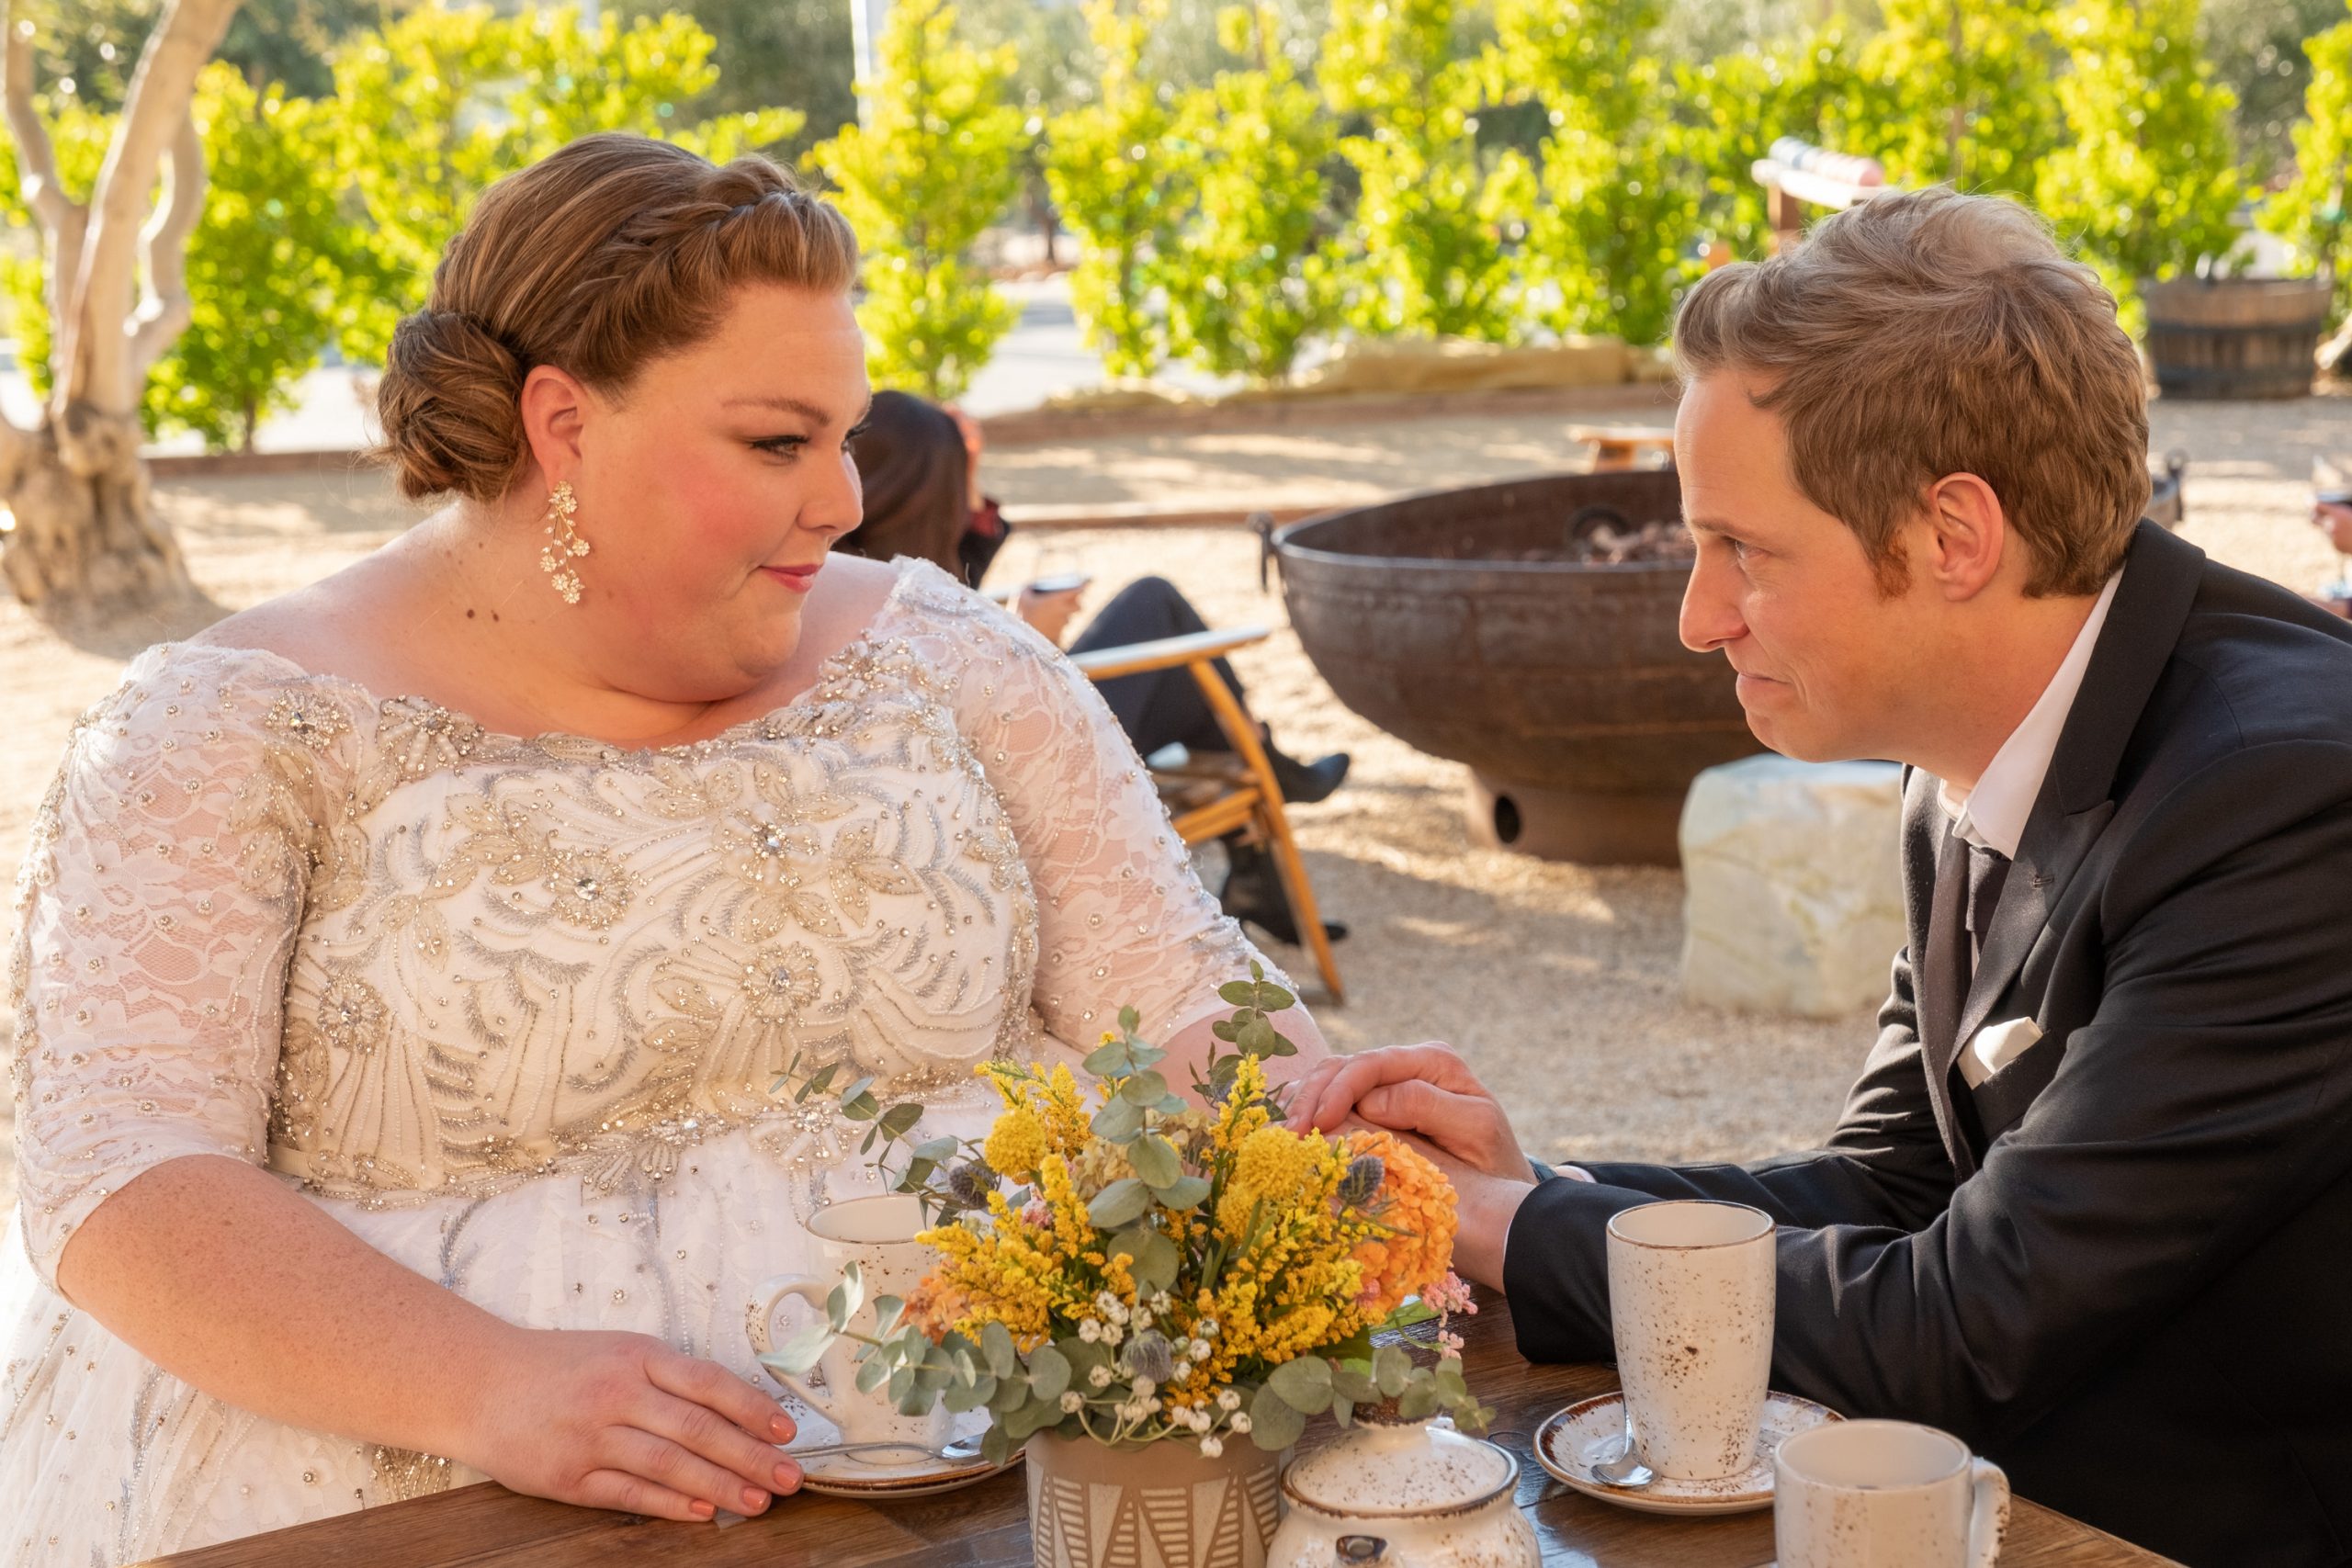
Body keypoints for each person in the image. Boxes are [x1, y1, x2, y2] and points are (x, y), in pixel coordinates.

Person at [0, 134, 1328, 1565]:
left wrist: (1376, 1185)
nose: (843, 501)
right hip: (430, 1494)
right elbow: (120, 1166)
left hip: (1014, 1465)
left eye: (844, 437)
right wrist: (490, 1384)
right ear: (563, 424)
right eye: (777, 441)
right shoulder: (231, 726)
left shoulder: (948, 653)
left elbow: (1187, 1009)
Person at [1295, 189, 2352, 1567]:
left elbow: (1964, 1321)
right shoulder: (1972, 749)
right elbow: (1893, 1185)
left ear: (1953, 537)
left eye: (1744, 548)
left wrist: (1511, 1228)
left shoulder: (2283, 799)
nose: (1697, 615)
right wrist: (1530, 1181)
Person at [839, 389, 1349, 945]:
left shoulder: (851, 566)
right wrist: (1025, 637)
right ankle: (1267, 773)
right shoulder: (894, 591)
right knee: (1157, 609)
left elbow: (961, 560)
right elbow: (960, 710)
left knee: (1173, 649)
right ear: (924, 492)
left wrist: (965, 464)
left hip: (1001, 744)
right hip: (1024, 766)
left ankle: (1257, 851)